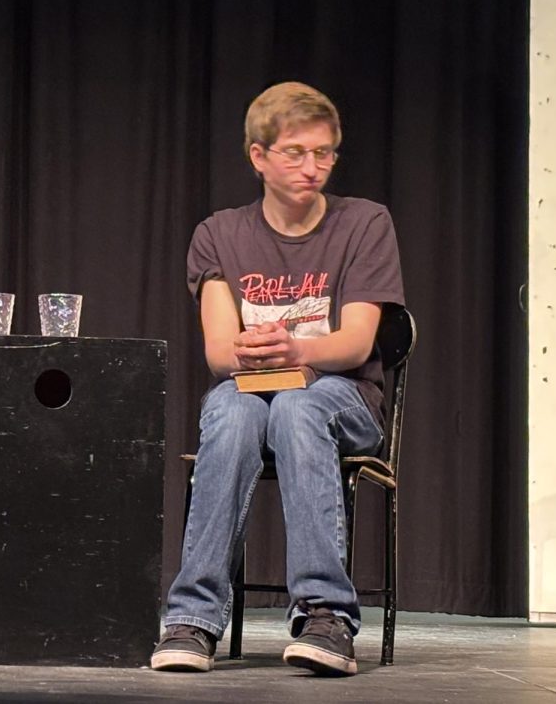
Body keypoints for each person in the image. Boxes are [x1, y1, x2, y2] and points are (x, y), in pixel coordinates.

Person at [151, 81, 403, 677]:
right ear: (258, 156)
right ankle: (192, 619)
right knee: (232, 410)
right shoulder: (220, 233)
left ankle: (326, 614)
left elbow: (357, 342)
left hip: (342, 399)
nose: (312, 167)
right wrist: (247, 349)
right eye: (295, 152)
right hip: (250, 393)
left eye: (324, 153)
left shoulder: (364, 223)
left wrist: (296, 347)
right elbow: (219, 352)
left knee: (299, 407)